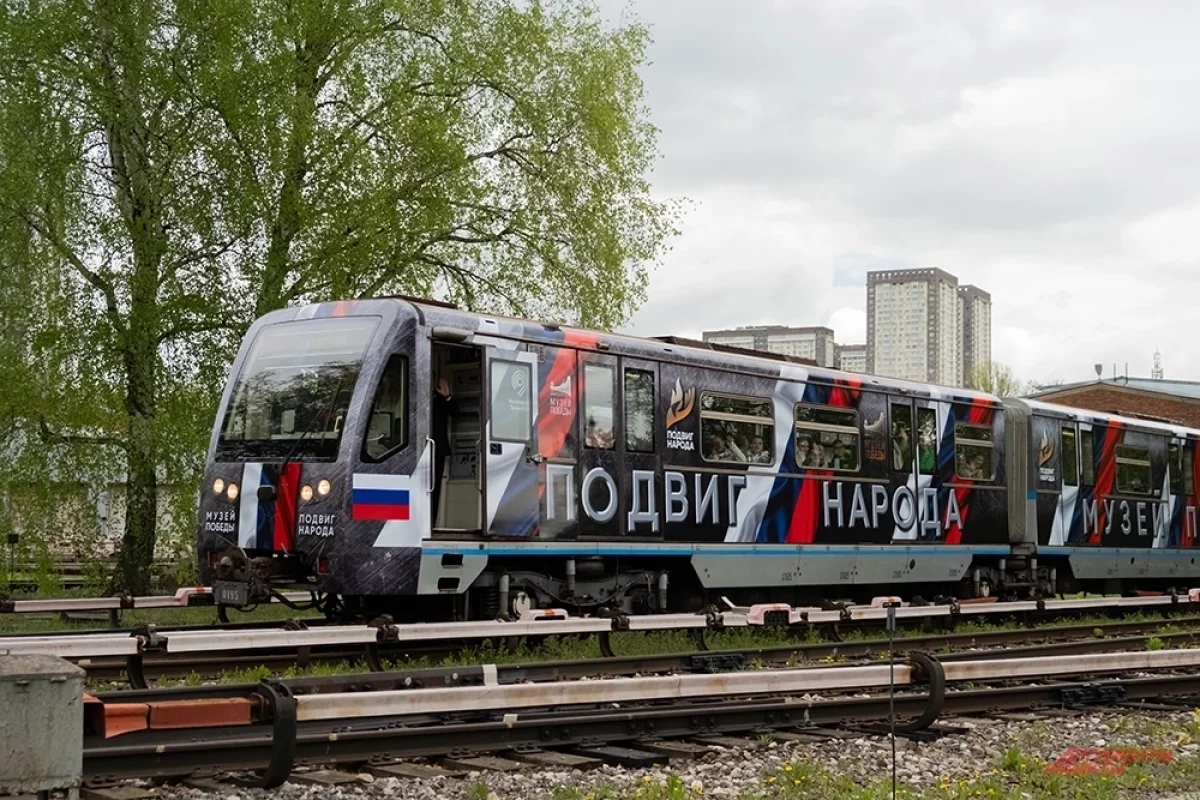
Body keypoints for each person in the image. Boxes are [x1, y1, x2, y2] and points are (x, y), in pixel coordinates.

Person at [431, 376, 459, 523]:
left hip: (436, 450)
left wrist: (447, 396)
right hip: (415, 451)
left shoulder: (439, 399)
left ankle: (431, 523)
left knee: (434, 489)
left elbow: (456, 412)